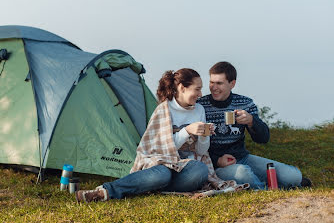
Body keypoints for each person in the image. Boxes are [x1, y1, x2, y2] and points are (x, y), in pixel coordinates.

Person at [75, 68, 213, 202]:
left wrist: (204, 135)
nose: (200, 94)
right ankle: (105, 191)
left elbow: (201, 151)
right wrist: (187, 131)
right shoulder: (164, 110)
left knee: (200, 169)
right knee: (163, 174)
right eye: (197, 89)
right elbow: (162, 150)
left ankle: (150, 187)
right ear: (182, 88)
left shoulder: (199, 110)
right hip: (162, 164)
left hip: (184, 170)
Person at [197, 61, 309, 189]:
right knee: (243, 173)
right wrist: (217, 160)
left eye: (219, 83)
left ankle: (284, 183)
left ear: (232, 84)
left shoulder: (245, 103)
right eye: (212, 82)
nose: (214, 87)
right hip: (215, 165)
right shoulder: (201, 106)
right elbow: (195, 146)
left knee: (293, 176)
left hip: (243, 157)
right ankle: (271, 190)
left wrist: (251, 121)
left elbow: (263, 139)